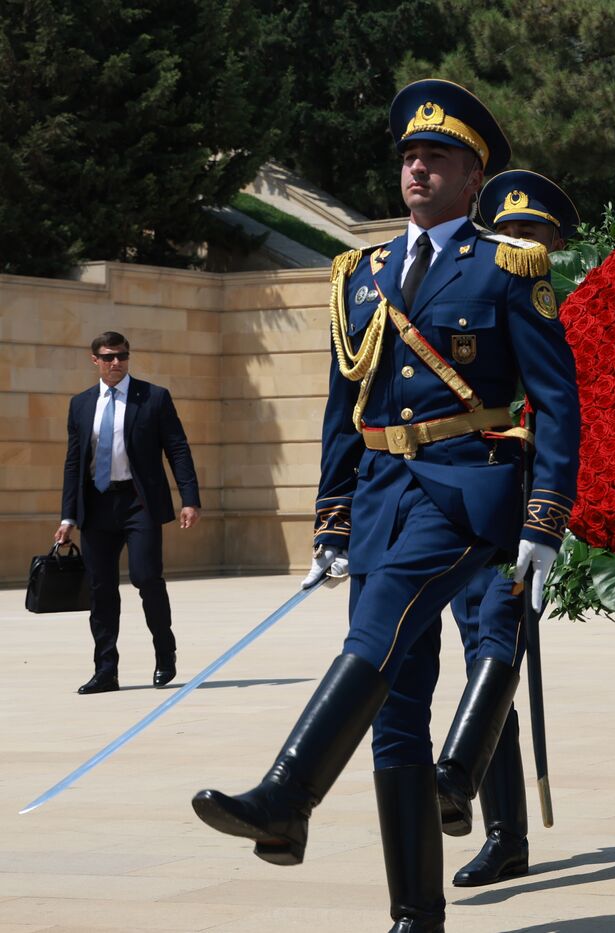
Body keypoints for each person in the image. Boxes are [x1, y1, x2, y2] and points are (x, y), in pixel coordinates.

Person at [192, 79, 580, 933]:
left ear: (473, 176)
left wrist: (545, 518)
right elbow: (345, 408)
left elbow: (556, 400)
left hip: (465, 489)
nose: (417, 168)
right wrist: (331, 521)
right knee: (397, 706)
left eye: (436, 157)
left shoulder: (508, 266)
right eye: (409, 154)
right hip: (379, 497)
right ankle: (416, 915)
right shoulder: (359, 275)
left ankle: (289, 794)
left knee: (378, 635)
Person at [439, 169, 579, 889]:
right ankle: (505, 832)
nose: (520, 245)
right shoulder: (469, 295)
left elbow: (565, 411)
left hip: (524, 506)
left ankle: (458, 778)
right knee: (478, 657)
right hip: (462, 502)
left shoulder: (560, 308)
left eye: (534, 236)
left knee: (497, 639)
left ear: (555, 245)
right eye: (509, 233)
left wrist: (549, 513)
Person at [55, 332, 200, 694]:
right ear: (95, 361)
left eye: (121, 356)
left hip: (139, 503)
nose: (115, 362)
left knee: (146, 577)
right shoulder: (81, 404)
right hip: (97, 505)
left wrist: (190, 499)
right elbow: (74, 464)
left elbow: (178, 450)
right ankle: (106, 670)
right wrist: (67, 517)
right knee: (100, 589)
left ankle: (165, 653)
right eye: (108, 357)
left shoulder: (153, 398)